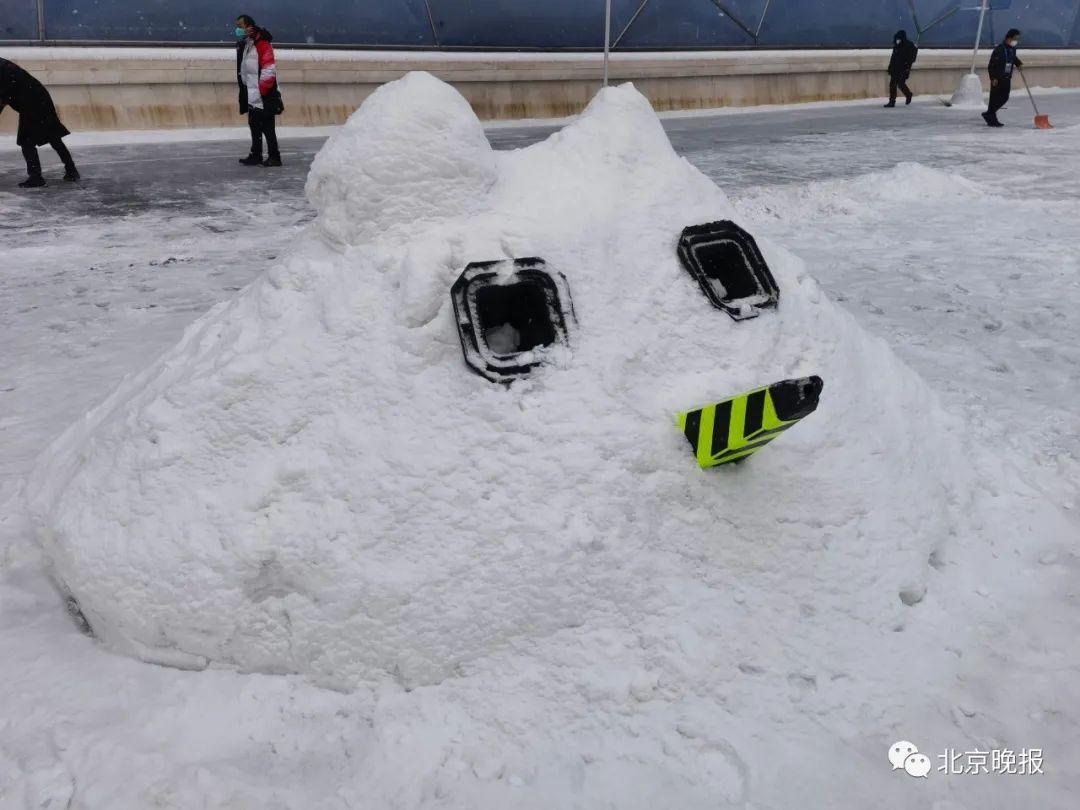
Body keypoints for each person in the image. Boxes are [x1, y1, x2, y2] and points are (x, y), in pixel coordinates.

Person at [0, 57, 79, 188]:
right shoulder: (4, 66)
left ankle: (36, 177)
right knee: (53, 136)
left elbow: (3, 95)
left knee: (26, 141)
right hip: (40, 98)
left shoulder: (3, 69)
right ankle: (71, 169)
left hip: (32, 103)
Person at [235, 14, 284, 167]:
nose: (238, 29)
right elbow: (244, 69)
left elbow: (269, 69)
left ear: (250, 27)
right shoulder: (247, 44)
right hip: (251, 93)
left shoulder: (262, 43)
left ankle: (274, 157)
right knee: (254, 125)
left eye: (240, 26)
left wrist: (262, 91)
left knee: (268, 127)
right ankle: (255, 154)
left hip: (263, 94)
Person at [983, 28, 1023, 127]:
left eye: (1017, 39)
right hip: (997, 78)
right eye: (1015, 39)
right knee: (995, 99)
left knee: (1004, 97)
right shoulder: (999, 49)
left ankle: (989, 114)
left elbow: (1013, 58)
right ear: (1008, 38)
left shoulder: (1012, 48)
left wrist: (1018, 64)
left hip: (1007, 77)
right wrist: (993, 78)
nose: (1016, 41)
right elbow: (991, 65)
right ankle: (991, 118)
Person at [884, 30, 918, 108]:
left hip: (903, 68)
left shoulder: (909, 45)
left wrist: (907, 67)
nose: (897, 40)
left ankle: (908, 95)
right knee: (893, 84)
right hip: (895, 68)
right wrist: (890, 67)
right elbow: (893, 58)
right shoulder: (896, 45)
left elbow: (912, 58)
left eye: (899, 38)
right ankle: (892, 101)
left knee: (900, 84)